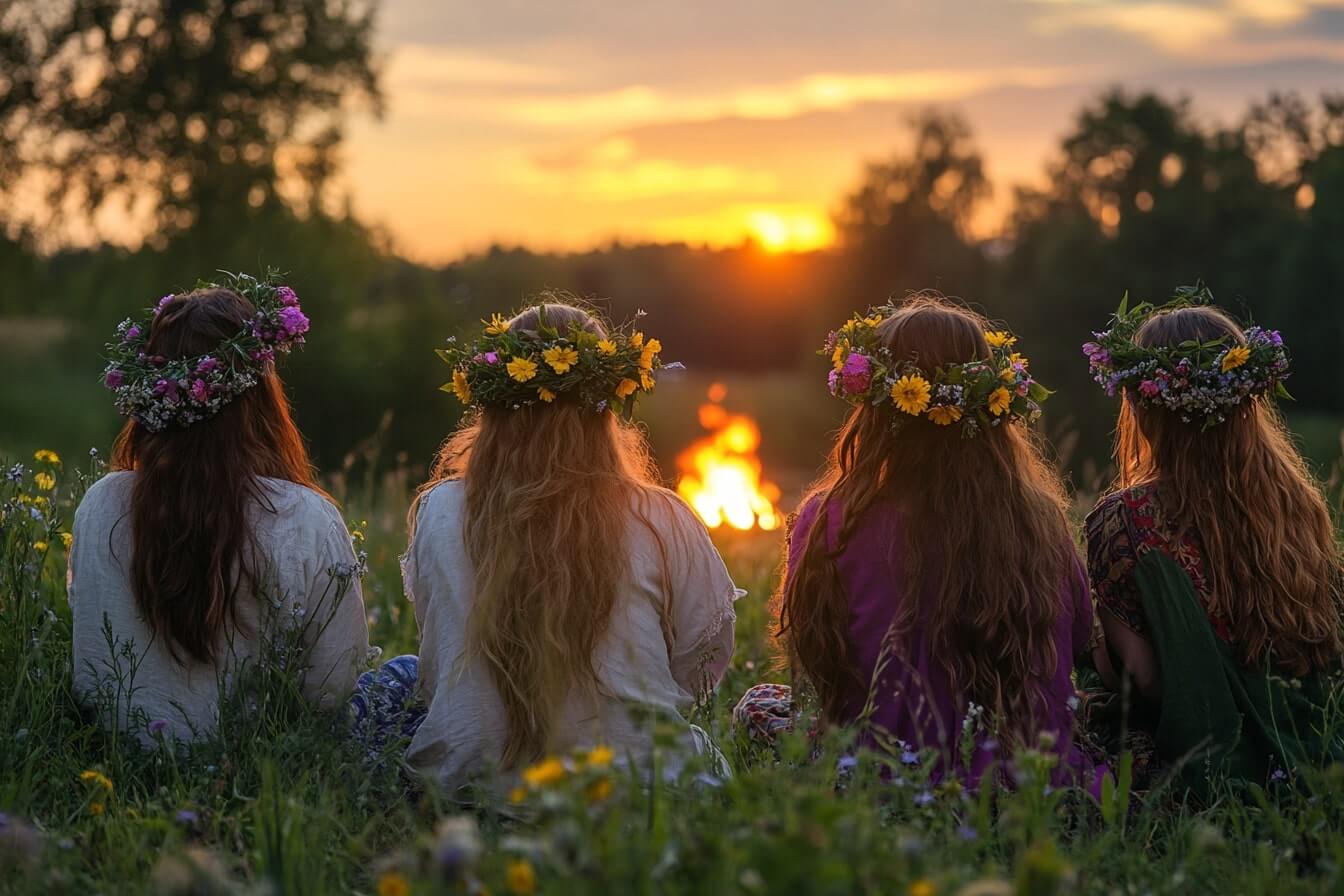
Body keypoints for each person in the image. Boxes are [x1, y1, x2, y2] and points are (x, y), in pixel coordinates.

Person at [737, 294, 1103, 794]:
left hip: (878, 770)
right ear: (987, 400)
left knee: (758, 703)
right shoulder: (1038, 518)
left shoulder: (828, 518)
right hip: (1022, 776)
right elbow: (1081, 638)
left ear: (873, 407)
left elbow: (812, 651)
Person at [403, 299, 739, 795]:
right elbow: (704, 658)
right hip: (641, 789)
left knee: (396, 681)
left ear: (493, 409)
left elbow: (436, 650)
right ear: (606, 408)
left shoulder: (441, 510)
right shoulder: (662, 516)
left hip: (471, 788)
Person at [70, 274, 374, 746]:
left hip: (116, 752)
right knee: (402, 676)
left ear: (153, 390)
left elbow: (89, 655)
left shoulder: (100, 504)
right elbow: (336, 687)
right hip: (257, 762)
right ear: (260, 397)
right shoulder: (304, 517)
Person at [1082, 288, 1343, 797]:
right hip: (1309, 727)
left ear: (1141, 405)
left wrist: (1095, 647)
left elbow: (1146, 682)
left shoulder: (1122, 519)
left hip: (1206, 754)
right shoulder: (1298, 503)